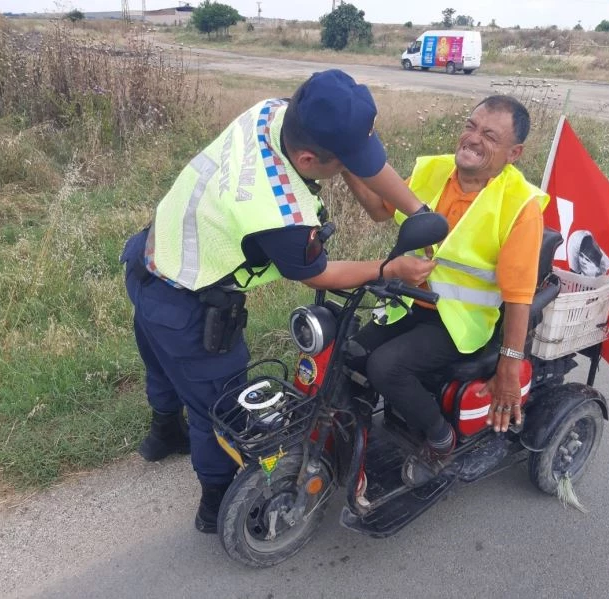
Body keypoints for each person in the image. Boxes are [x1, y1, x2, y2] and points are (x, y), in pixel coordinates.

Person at [119, 69, 436, 534]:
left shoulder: (274, 112)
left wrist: (420, 212)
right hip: (189, 304)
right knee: (220, 411)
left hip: (150, 256)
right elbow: (317, 273)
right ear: (308, 157)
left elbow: (366, 169)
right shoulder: (280, 212)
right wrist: (388, 269)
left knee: (161, 363)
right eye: (341, 163)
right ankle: (216, 504)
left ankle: (163, 434)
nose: (351, 169)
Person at [348, 95, 549, 487]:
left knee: (387, 366)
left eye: (489, 135)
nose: (472, 139)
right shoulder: (436, 170)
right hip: (410, 302)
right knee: (352, 349)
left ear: (514, 153)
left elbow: (519, 295)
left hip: (461, 321)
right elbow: (378, 209)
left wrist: (510, 363)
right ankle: (354, 431)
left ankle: (440, 438)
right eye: (471, 126)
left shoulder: (519, 205)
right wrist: (345, 158)